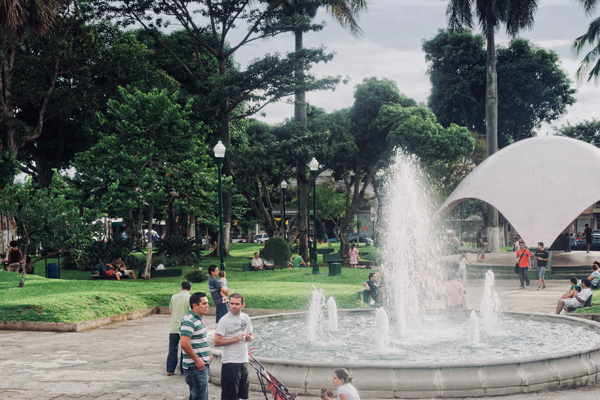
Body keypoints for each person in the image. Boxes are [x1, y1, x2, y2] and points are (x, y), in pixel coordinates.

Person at [214, 293, 254, 400]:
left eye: (237, 304)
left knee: (242, 395)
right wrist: (235, 339)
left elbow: (251, 334)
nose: (233, 306)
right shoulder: (224, 320)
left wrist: (249, 338)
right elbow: (216, 342)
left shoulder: (245, 318)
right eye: (231, 303)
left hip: (244, 361)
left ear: (243, 305)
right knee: (229, 396)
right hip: (230, 362)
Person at [180, 292, 212, 400]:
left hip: (200, 365)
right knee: (200, 397)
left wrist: (209, 354)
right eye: (204, 303)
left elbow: (200, 340)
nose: (207, 306)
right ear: (195, 305)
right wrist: (197, 360)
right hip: (195, 367)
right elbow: (184, 343)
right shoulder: (189, 321)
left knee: (197, 396)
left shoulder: (198, 319)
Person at [167, 281, 191, 376]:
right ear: (190, 289)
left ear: (181, 287)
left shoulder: (174, 297)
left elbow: (171, 311)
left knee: (173, 348)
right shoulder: (190, 298)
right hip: (185, 328)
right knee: (184, 349)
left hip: (174, 327)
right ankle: (183, 370)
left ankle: (170, 370)